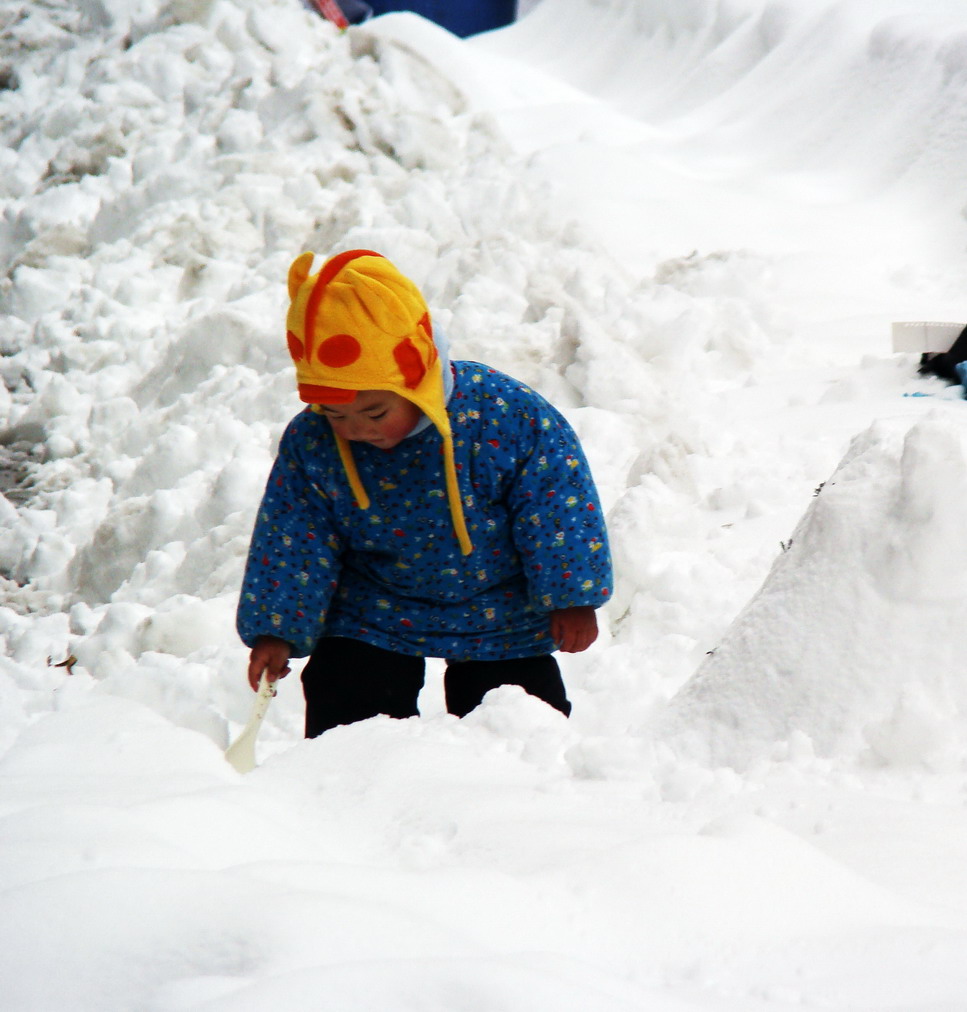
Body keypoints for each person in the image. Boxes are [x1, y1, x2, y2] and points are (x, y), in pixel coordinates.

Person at [236, 249, 613, 736]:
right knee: (346, 697)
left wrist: (572, 596)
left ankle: (519, 794)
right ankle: (352, 788)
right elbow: (294, 534)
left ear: (418, 376)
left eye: (374, 413)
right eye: (334, 413)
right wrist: (275, 627)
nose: (355, 430)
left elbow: (556, 502)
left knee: (517, 720)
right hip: (375, 606)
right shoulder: (314, 443)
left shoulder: (502, 416)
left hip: (496, 602)